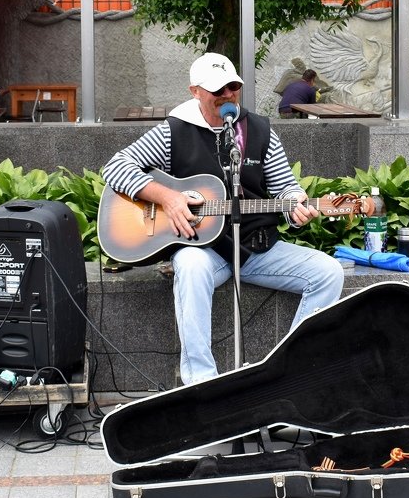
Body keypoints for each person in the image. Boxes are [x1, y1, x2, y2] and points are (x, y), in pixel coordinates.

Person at [102, 52, 344, 385]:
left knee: (328, 273)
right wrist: (168, 198)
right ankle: (202, 384)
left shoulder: (259, 130)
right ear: (195, 91)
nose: (228, 95)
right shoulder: (173, 130)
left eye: (233, 87)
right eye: (218, 90)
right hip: (204, 251)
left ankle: (290, 374)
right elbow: (115, 167)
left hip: (256, 249)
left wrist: (296, 206)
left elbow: (285, 187)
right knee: (188, 266)